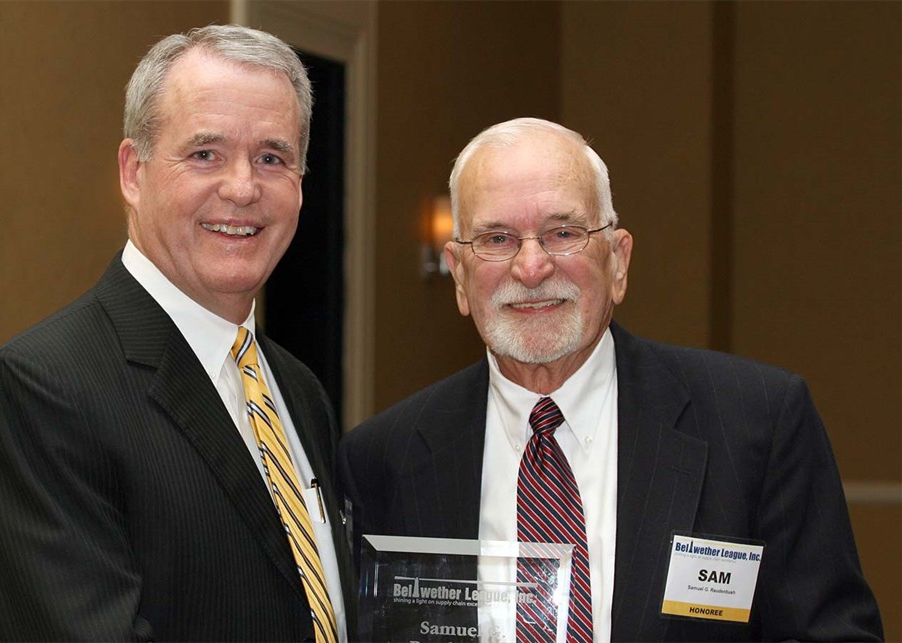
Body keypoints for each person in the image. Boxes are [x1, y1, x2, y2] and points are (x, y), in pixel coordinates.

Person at [338, 117, 883, 642]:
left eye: (563, 232)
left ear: (618, 262)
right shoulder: (383, 460)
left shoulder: (757, 423)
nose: (531, 268)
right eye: (498, 239)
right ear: (458, 275)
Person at [0, 25, 353, 641]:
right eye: (205, 154)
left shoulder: (297, 391)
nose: (242, 188)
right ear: (133, 172)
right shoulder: (39, 393)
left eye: (272, 157)